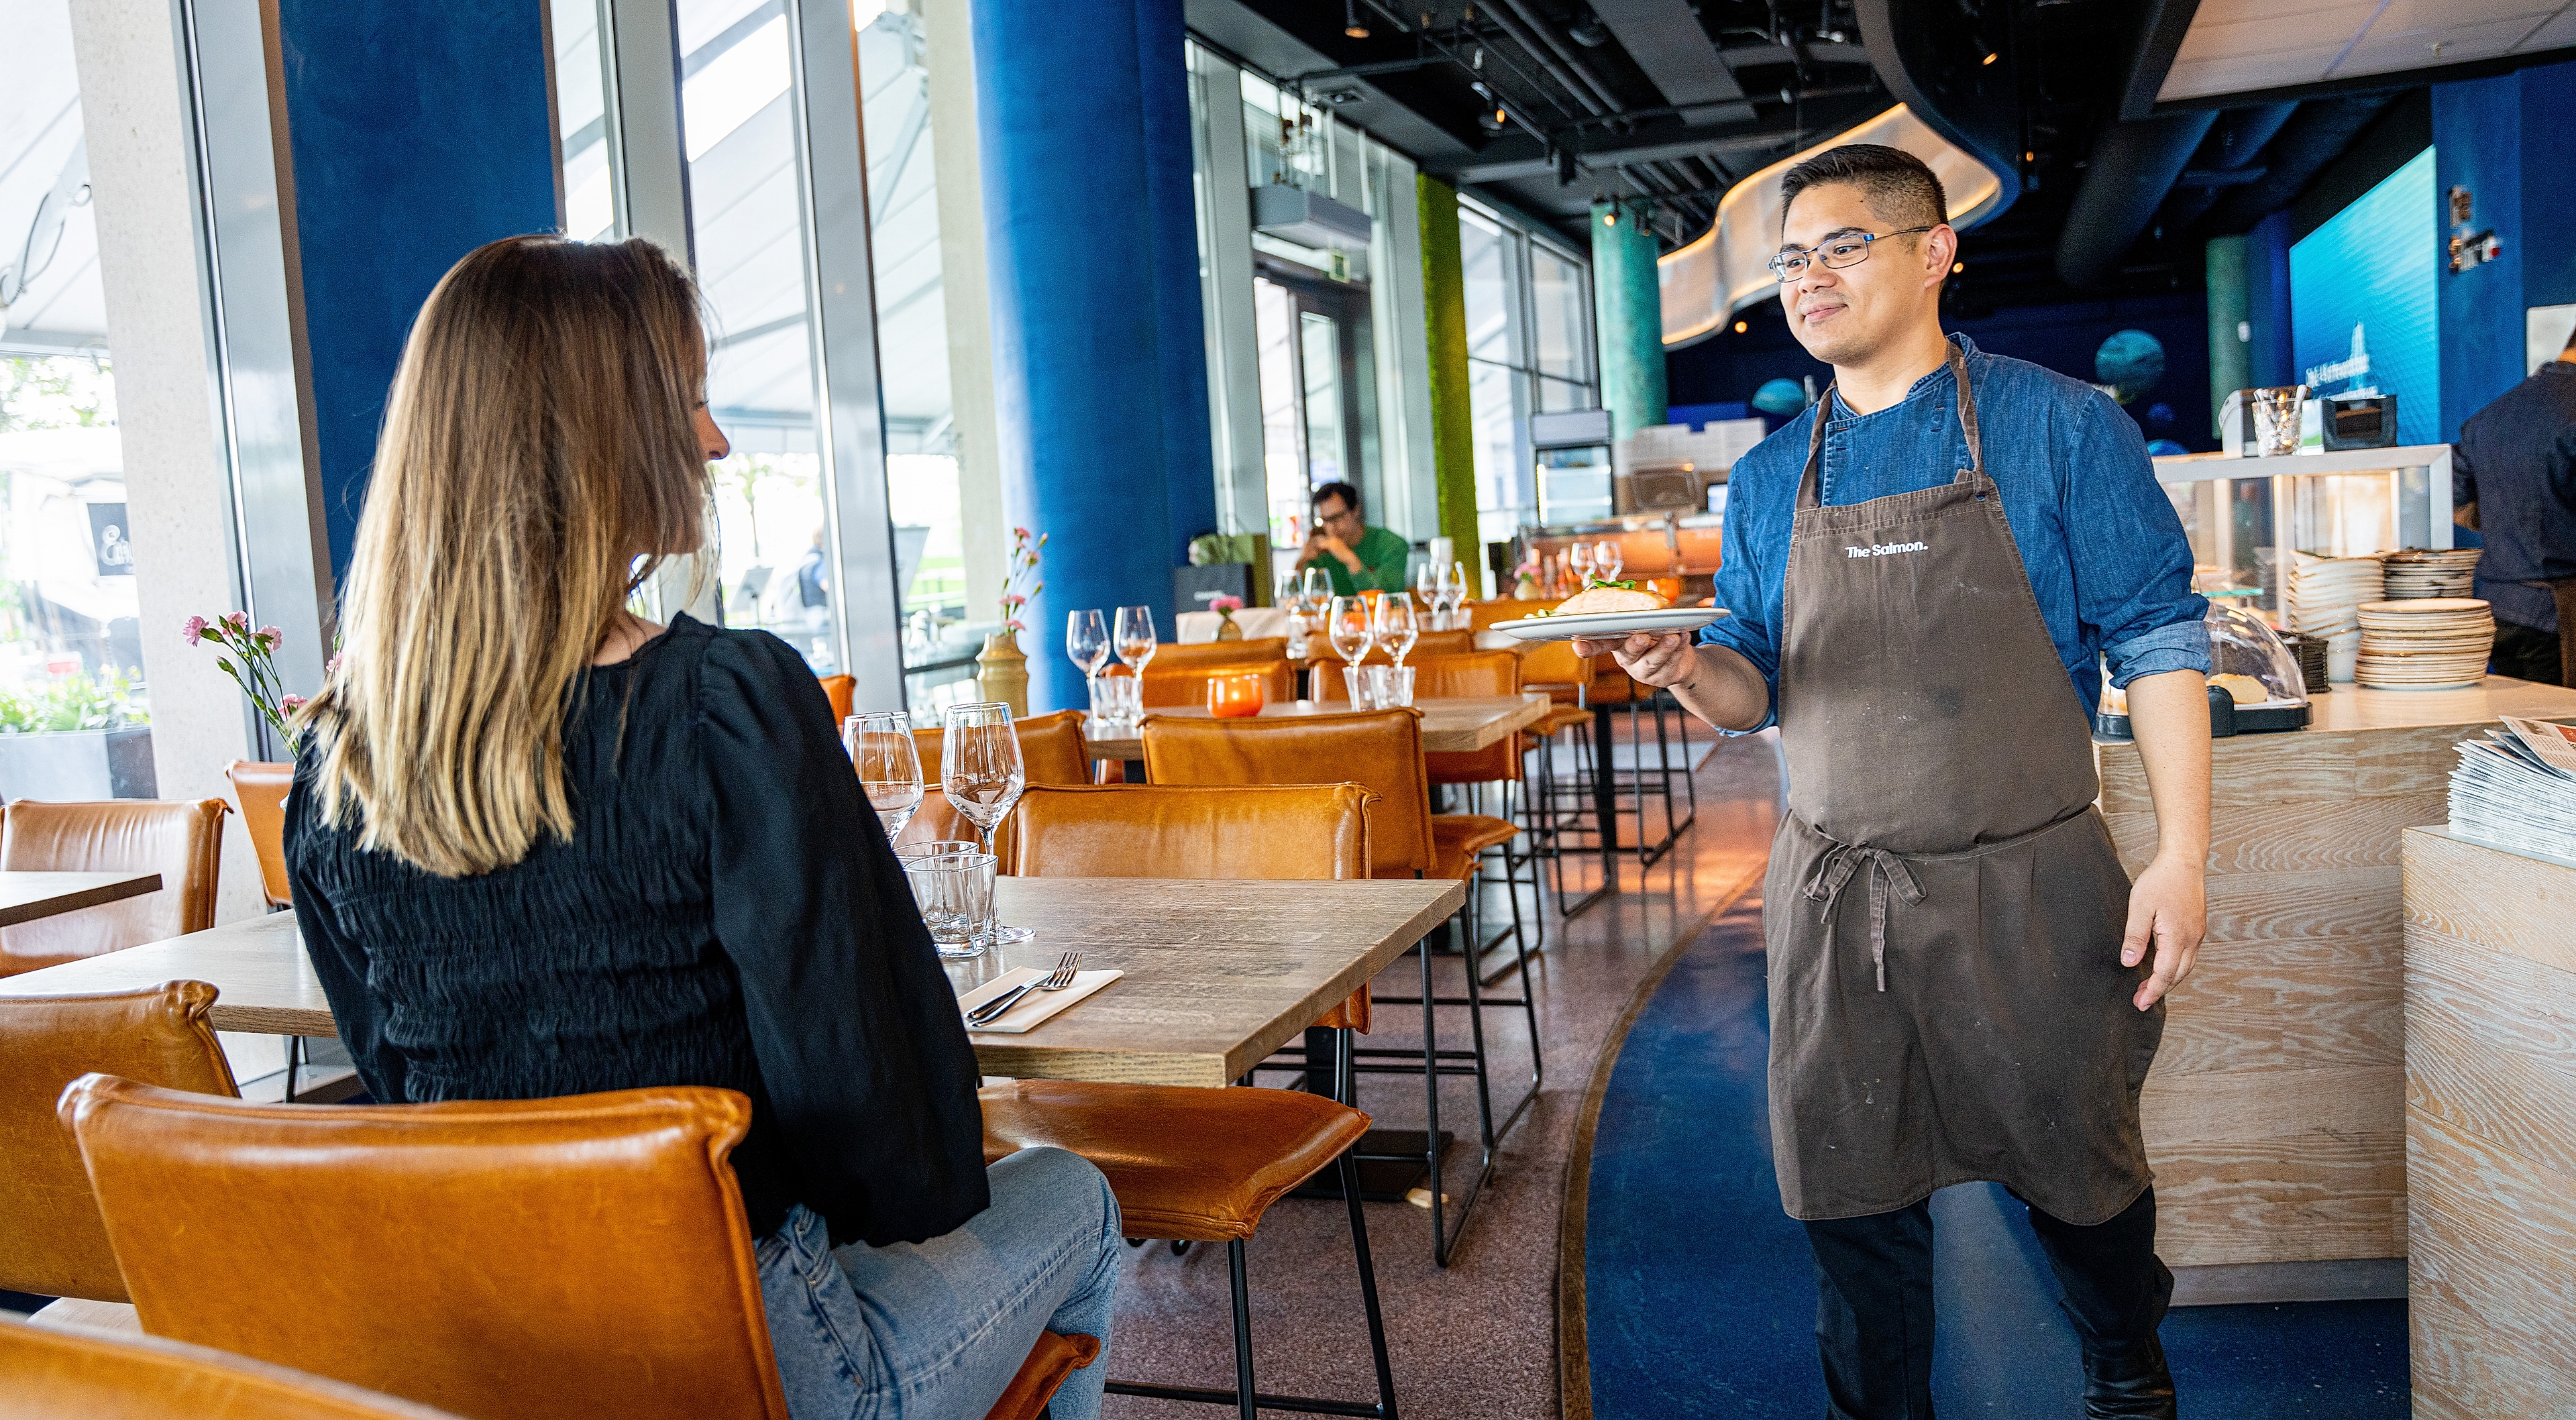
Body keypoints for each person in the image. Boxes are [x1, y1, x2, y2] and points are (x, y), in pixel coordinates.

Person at [282, 235, 1120, 1420]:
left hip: (485, 1361)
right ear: (596, 432)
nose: (715, 440)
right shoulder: (723, 702)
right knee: (1074, 1196)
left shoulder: (333, 759)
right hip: (753, 1369)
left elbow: (390, 1071)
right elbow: (868, 1104)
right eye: (687, 400)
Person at [1575, 145, 2212, 1420]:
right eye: (1792, 258)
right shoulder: (1768, 478)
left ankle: (2126, 1371)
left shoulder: (2061, 426)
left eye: (1843, 245)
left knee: (2082, 1181)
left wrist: (2183, 853)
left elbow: (2158, 638)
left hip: (2030, 881)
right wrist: (1684, 666)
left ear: (1936, 252)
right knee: (1852, 1210)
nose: (1810, 277)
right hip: (1836, 900)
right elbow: (1759, 685)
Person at [2454, 327, 2576, 686]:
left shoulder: (2487, 418)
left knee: (2521, 729)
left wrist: (2510, 521)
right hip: (2558, 613)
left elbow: (2459, 499)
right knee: (2561, 732)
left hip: (2499, 608)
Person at [1297, 480, 1410, 594]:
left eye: (1337, 517)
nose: (1332, 527)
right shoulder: (1321, 551)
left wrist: (1351, 561)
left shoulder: (1391, 543)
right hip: (1333, 613)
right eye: (1325, 520)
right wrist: (1303, 561)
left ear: (1355, 511)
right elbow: (1294, 598)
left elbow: (1386, 596)